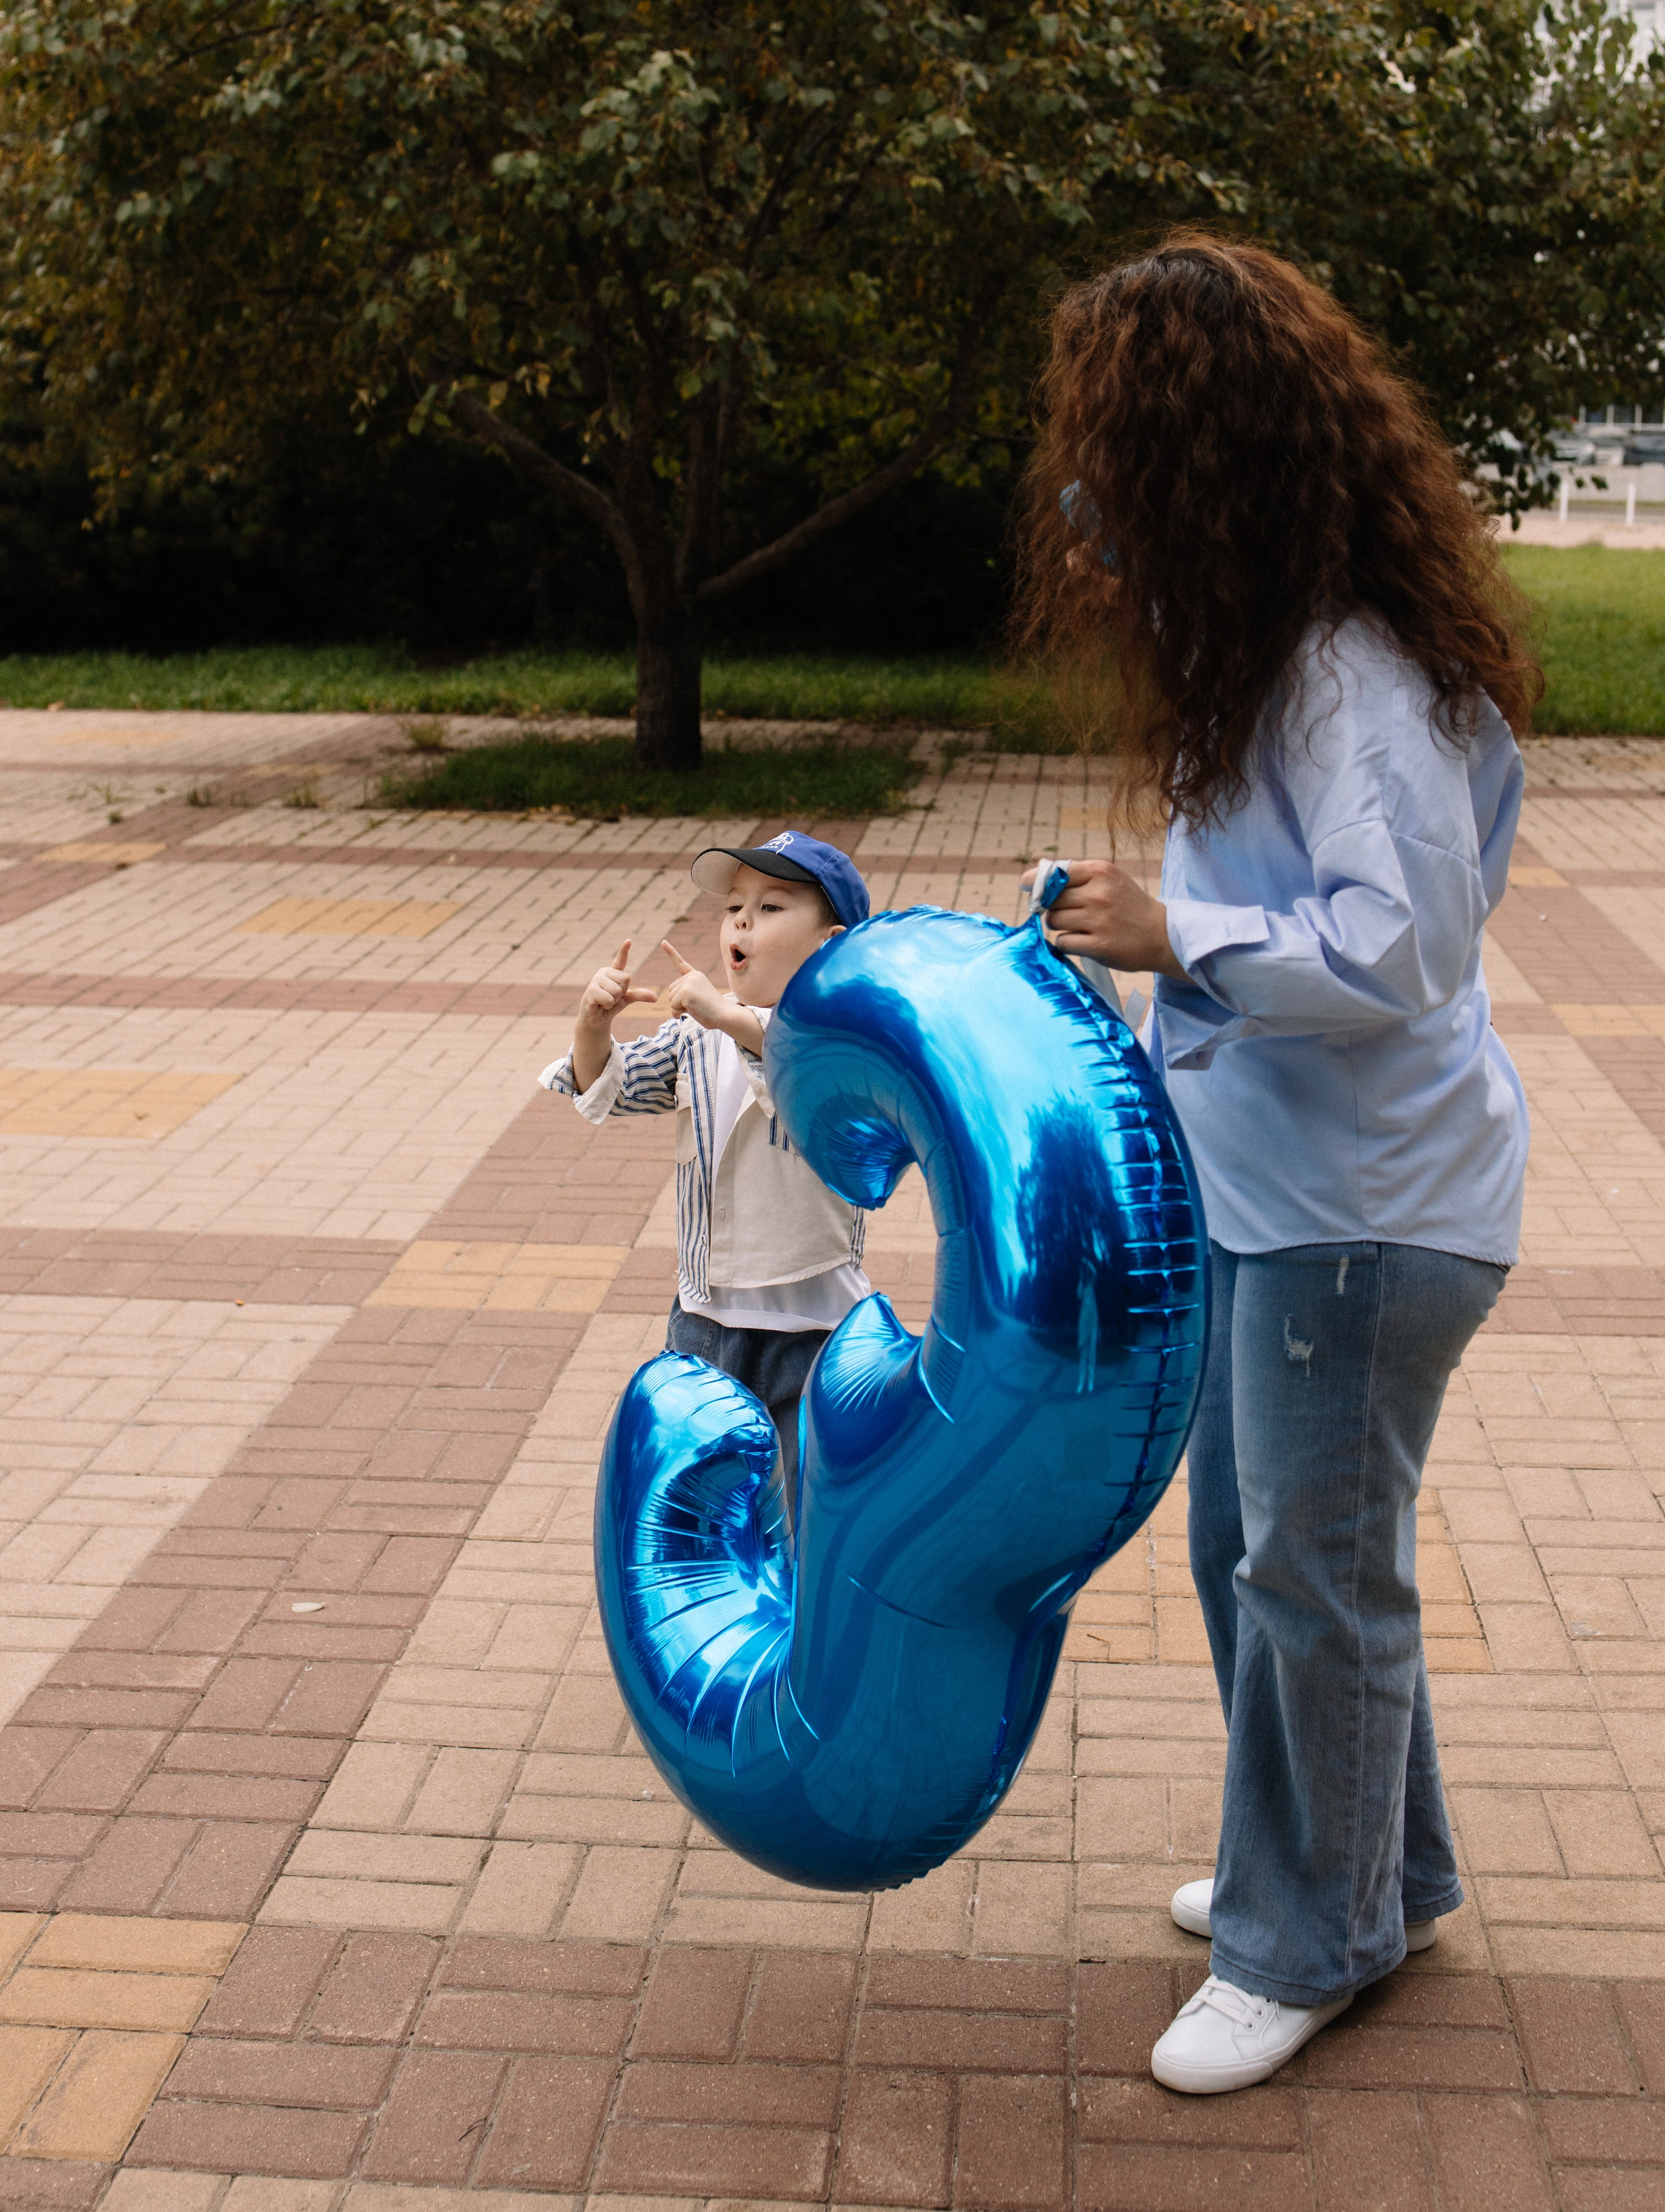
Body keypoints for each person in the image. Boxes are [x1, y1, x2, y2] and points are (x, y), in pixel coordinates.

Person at [1014, 233, 1538, 2094]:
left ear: (1198, 465)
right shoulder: (1266, 657)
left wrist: (1181, 935)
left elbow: (1407, 946)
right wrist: (1153, 933)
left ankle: (1302, 1936)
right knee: (1271, 1551)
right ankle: (1379, 1872)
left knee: (1312, 1575)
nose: (1084, 514)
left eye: (1111, 467)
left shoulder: (1343, 675)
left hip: (1365, 1214)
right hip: (1289, 1195)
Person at [540, 832, 872, 1513]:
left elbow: (809, 1082)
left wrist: (731, 1018)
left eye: (771, 907)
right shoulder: (697, 1034)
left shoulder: (848, 1041)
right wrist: (592, 1028)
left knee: (805, 1508)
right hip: (705, 1320)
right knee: (701, 1507)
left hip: (813, 1324)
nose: (741, 922)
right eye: (733, 907)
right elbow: (613, 1086)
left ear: (831, 945)